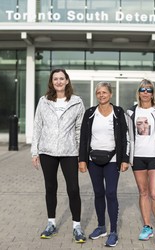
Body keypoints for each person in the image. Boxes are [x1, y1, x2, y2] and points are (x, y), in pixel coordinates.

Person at [31, 68, 87, 243]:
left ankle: (77, 226)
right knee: (50, 188)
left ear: (67, 81)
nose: (59, 82)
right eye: (55, 79)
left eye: (62, 78)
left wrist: (81, 155)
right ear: (51, 82)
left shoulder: (77, 102)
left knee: (73, 189)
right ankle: (51, 224)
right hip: (47, 151)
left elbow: (80, 129)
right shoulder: (43, 101)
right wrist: (35, 151)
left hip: (69, 152)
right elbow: (37, 126)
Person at [79, 82, 129, 247]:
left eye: (104, 92)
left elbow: (124, 138)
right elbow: (84, 138)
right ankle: (101, 227)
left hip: (113, 160)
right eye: (98, 92)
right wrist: (82, 159)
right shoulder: (90, 113)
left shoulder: (118, 112)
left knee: (111, 193)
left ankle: (113, 231)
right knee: (98, 193)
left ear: (110, 94)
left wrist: (125, 159)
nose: (101, 95)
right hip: (93, 160)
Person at [126, 79, 155, 245]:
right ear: (138, 92)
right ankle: (147, 227)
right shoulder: (131, 111)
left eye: (149, 90)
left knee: (154, 193)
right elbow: (127, 135)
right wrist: (126, 156)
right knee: (143, 192)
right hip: (138, 156)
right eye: (142, 89)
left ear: (153, 93)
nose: (146, 92)